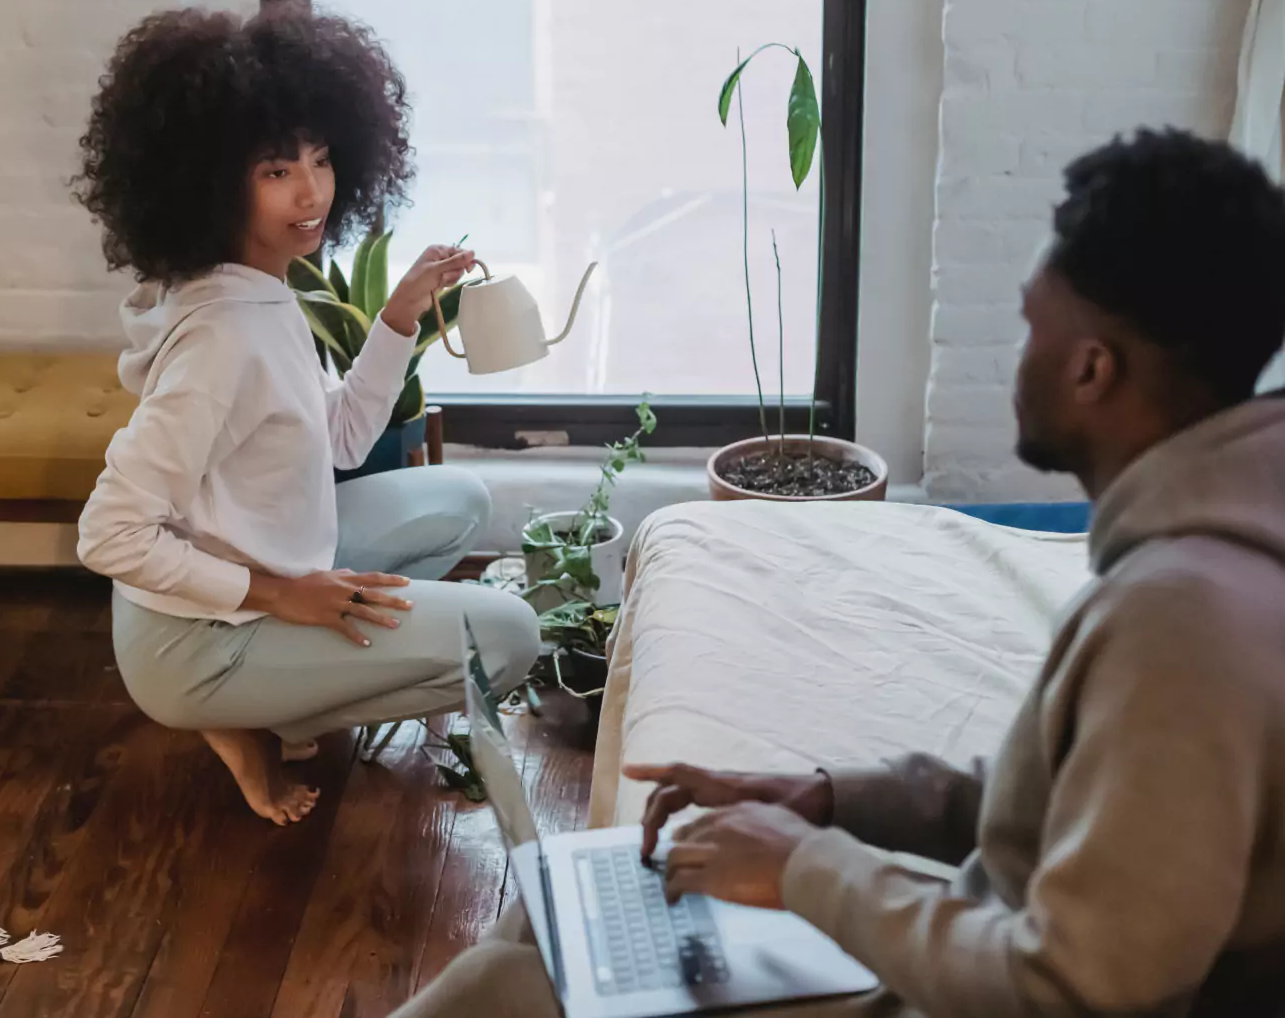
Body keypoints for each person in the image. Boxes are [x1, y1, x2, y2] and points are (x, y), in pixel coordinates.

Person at [394, 129, 1285, 1017]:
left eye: (1030, 328)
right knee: (558, 913)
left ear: (1094, 368)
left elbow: (1068, 990)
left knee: (499, 987)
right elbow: (1068, 798)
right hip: (979, 947)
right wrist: (821, 800)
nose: (1017, 359)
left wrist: (803, 868)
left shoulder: (1182, 623)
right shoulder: (1204, 564)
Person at [72, 3, 540, 828]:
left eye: (321, 160)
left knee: (458, 500)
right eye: (276, 170)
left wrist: (397, 316)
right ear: (212, 180)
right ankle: (250, 712)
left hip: (247, 563)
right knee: (510, 637)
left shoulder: (256, 284)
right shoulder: (225, 336)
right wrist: (280, 597)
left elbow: (338, 439)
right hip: (195, 642)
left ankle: (290, 688)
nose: (313, 190)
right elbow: (108, 533)